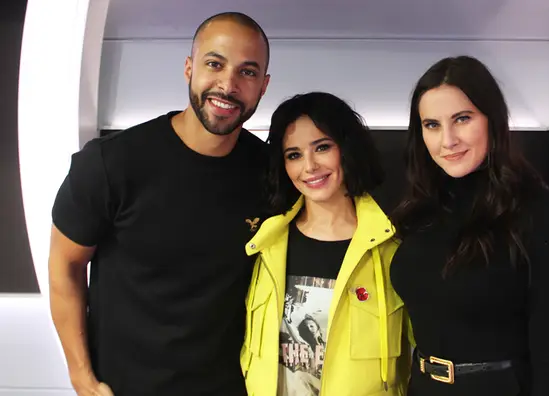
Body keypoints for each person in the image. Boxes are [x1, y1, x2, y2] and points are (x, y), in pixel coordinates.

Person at [48, 12, 271, 396]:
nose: (228, 84)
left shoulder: (272, 175)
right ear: (189, 68)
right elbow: (65, 265)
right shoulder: (110, 163)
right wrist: (80, 373)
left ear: (263, 86)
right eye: (214, 64)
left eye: (247, 72)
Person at [389, 56, 549, 396]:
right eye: (432, 125)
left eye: (462, 119)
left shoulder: (543, 214)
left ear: (492, 119)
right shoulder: (417, 211)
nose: (448, 140)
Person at [240, 92, 411, 395]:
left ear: (347, 149)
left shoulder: (392, 248)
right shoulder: (265, 244)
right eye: (293, 155)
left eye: (322, 147)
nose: (309, 166)